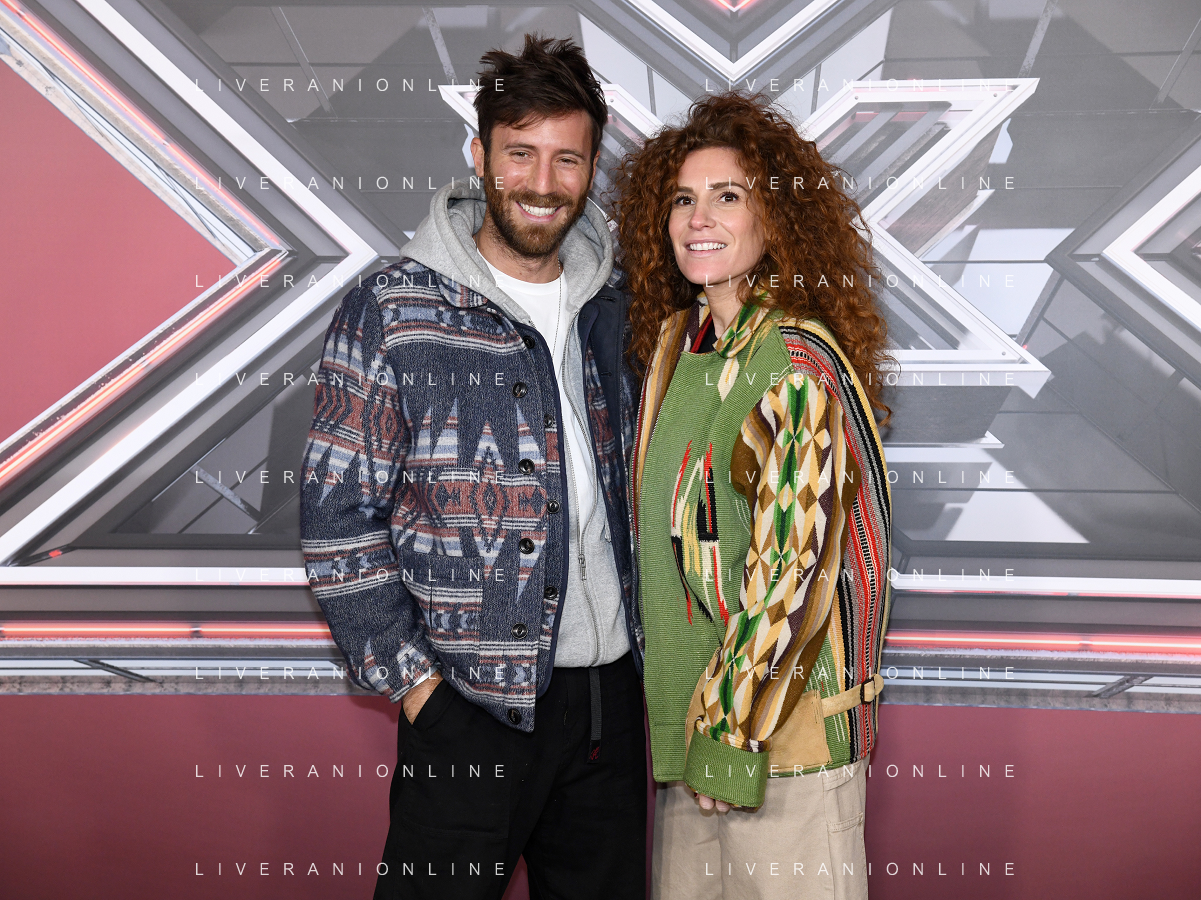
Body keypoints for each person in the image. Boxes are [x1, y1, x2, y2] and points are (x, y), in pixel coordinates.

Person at [300, 35, 645, 900]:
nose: (541, 181)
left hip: (610, 706)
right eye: (519, 153)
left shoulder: (618, 306)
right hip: (468, 706)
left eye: (567, 158)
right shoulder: (394, 306)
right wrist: (419, 689)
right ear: (478, 155)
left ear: (591, 169)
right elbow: (336, 517)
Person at [613, 91, 893, 900]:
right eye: (682, 199)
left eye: (727, 196)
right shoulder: (678, 347)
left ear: (775, 218)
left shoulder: (794, 362)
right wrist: (697, 743)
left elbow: (793, 570)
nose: (698, 218)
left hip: (780, 749)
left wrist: (731, 738)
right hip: (686, 750)